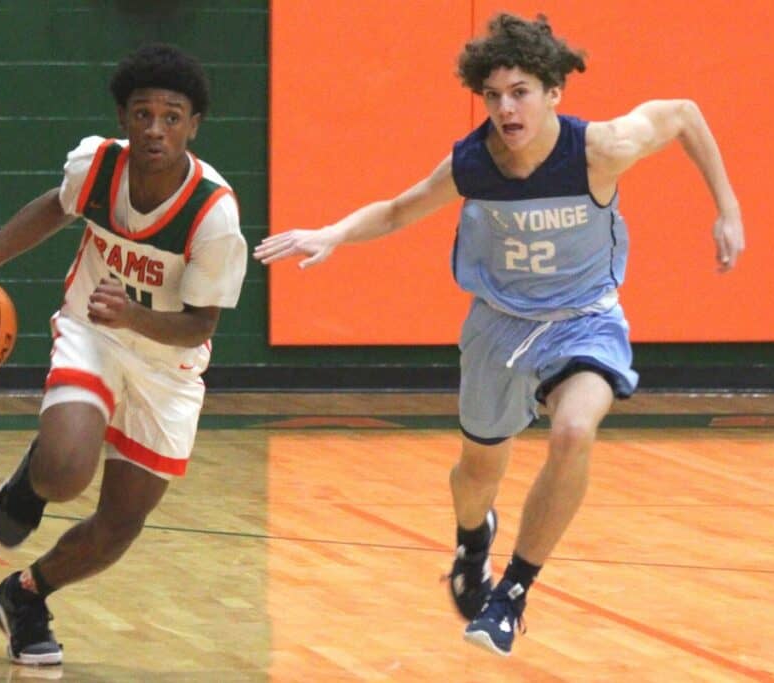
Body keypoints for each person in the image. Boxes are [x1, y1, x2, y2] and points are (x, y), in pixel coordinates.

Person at [254, 13, 744, 658]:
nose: (505, 108)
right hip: (498, 325)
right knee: (476, 470)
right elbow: (400, 208)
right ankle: (472, 538)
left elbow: (682, 112)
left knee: (573, 431)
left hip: (584, 319)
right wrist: (332, 234)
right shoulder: (472, 163)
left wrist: (728, 210)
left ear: (553, 94)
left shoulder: (600, 148)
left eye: (520, 92)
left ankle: (513, 590)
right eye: (493, 95)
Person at [0, 43, 247, 666]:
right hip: (91, 332)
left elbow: (201, 324)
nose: (156, 129)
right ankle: (37, 474)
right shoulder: (96, 166)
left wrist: (135, 314)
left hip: (168, 365)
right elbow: (53, 207)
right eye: (143, 114)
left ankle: (25, 595)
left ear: (193, 126)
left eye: (172, 116)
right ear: (124, 118)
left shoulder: (214, 216)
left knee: (120, 525)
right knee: (65, 474)